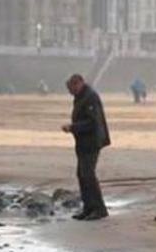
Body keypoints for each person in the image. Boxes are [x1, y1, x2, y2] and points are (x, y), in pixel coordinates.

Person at [62, 74, 110, 221]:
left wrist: (73, 127)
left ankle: (99, 209)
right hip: (83, 142)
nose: (71, 92)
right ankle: (88, 207)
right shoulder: (81, 96)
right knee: (82, 175)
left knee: (88, 175)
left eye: (72, 89)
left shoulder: (90, 97)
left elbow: (92, 122)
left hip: (92, 142)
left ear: (79, 84)